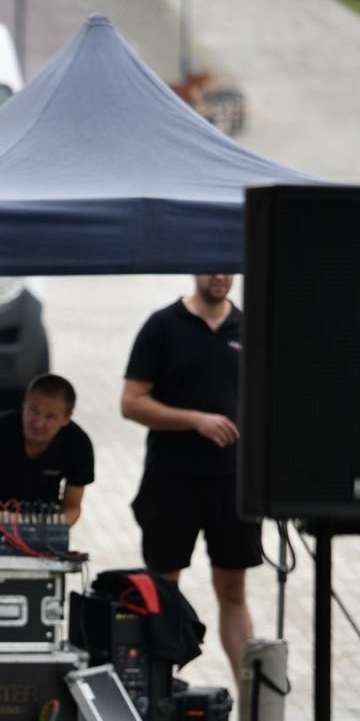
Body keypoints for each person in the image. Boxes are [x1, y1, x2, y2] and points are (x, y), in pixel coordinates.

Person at [121, 272, 260, 673]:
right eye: (210, 267)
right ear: (195, 270)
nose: (219, 275)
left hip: (234, 486)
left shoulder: (249, 328)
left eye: (226, 268)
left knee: (234, 592)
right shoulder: (163, 326)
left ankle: (253, 709)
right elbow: (131, 403)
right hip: (171, 481)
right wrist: (194, 420)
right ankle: (157, 696)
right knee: (162, 590)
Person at [0, 373, 93, 527]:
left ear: (66, 417)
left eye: (50, 417)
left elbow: (72, 507)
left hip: (43, 527)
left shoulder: (78, 444)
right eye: (33, 411)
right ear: (24, 405)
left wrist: (53, 528)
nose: (38, 423)